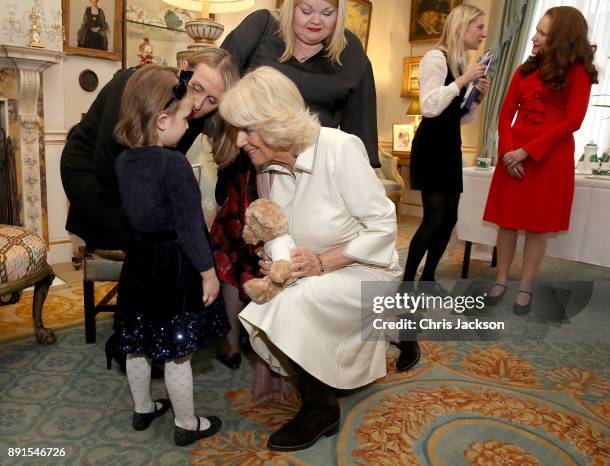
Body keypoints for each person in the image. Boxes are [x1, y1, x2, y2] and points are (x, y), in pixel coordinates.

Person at [219, 66, 400, 451]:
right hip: (318, 270)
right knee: (275, 296)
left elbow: (383, 227)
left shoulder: (339, 148)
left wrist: (321, 263)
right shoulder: (267, 168)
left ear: (274, 122)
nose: (238, 141)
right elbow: (281, 234)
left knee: (287, 305)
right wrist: (278, 263)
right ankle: (344, 372)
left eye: (246, 130)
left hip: (366, 269)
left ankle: (320, 408)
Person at [213, 0, 380, 388]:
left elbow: (361, 129)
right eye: (307, 9)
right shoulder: (260, 29)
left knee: (296, 258)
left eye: (327, 11)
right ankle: (232, 337)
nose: (316, 21)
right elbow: (216, 84)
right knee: (242, 252)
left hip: (312, 173)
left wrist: (362, 188)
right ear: (289, 7)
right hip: (248, 166)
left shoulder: (353, 53)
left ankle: (291, 356)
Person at [60, 48, 239, 374]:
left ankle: (149, 333)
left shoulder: (186, 111)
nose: (199, 105)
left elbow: (163, 170)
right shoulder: (135, 85)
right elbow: (108, 163)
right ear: (184, 69)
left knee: (172, 245)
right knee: (159, 249)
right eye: (198, 88)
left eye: (213, 100)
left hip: (133, 182)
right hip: (96, 180)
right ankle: (139, 336)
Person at [113, 64, 227, 446]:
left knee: (138, 342)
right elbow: (190, 227)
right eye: (182, 117)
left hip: (139, 261)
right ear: (162, 120)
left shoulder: (123, 161)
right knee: (179, 351)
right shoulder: (174, 163)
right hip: (174, 264)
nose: (186, 124)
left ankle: (143, 408)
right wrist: (208, 273)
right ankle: (186, 423)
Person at [482, 6, 597, 313]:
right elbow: (505, 114)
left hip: (548, 158)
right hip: (513, 158)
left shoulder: (578, 73)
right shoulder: (523, 70)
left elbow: (572, 121)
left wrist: (527, 151)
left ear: (561, 39)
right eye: (537, 30)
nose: (534, 37)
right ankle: (502, 279)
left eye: (543, 33)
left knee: (537, 226)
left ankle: (526, 285)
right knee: (507, 222)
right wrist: (507, 151)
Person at [401, 4, 489, 371]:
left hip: (450, 145)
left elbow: (459, 115)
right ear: (462, 26)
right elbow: (432, 106)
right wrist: (463, 80)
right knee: (433, 218)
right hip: (432, 146)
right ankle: (408, 282)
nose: (483, 34)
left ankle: (431, 275)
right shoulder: (435, 57)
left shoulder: (461, 62)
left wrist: (476, 96)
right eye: (479, 27)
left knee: (449, 218)